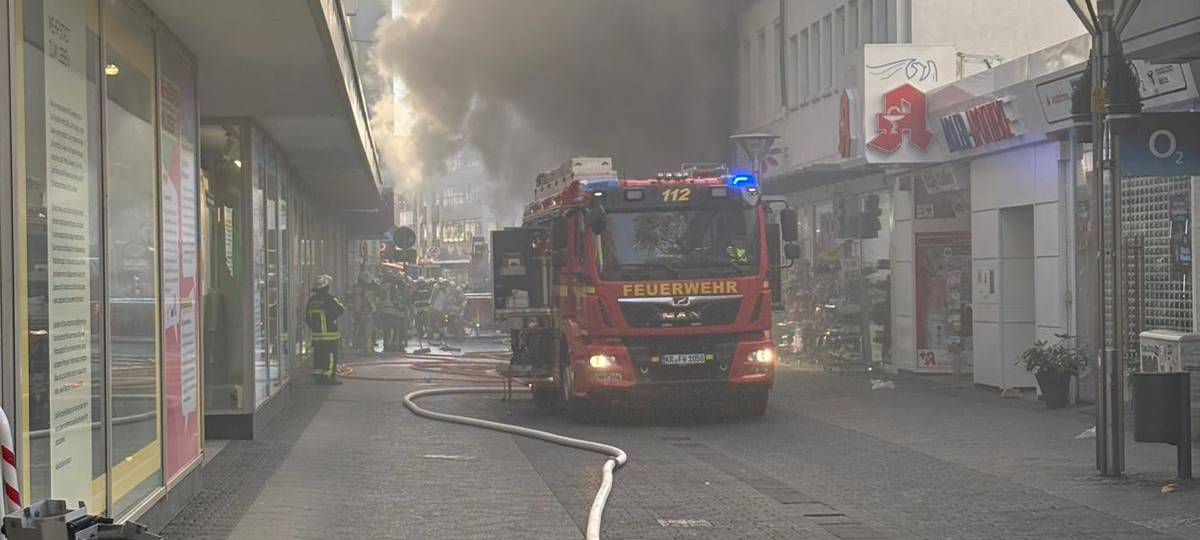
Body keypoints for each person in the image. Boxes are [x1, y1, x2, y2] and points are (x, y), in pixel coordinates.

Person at [306, 274, 346, 385]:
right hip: (330, 334)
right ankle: (329, 377)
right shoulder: (329, 298)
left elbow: (307, 318)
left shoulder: (311, 300)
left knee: (318, 355)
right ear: (326, 287)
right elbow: (341, 309)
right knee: (331, 356)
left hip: (317, 335)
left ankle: (318, 376)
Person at [350, 272, 378, 354]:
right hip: (366, 313)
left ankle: (357, 347)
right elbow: (369, 301)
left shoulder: (354, 288)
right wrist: (373, 309)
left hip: (356, 313)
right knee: (368, 332)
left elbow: (350, 300)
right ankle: (368, 349)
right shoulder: (365, 290)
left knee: (358, 331)